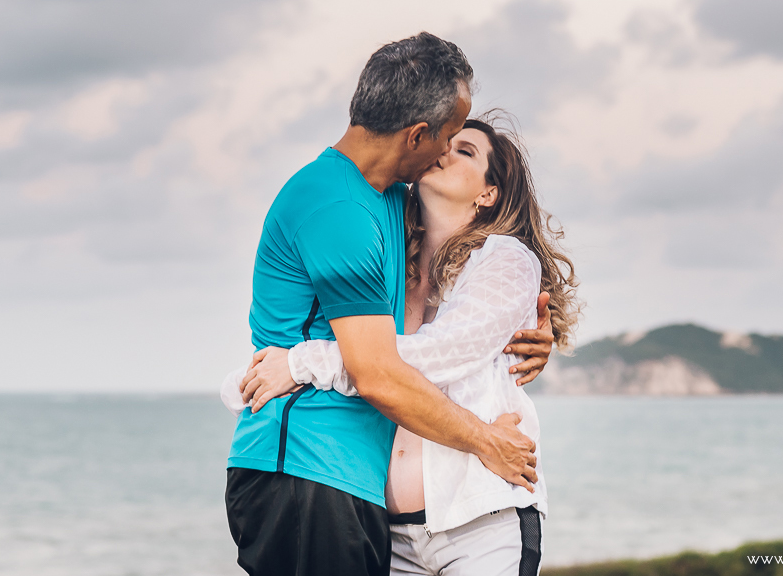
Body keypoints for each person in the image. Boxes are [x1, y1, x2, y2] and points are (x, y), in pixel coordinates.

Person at [223, 33, 555, 576]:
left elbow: (455, 334)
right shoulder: (340, 208)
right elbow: (377, 372)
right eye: (450, 136)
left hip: (360, 483)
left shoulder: (393, 208)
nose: (448, 149)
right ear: (418, 135)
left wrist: (529, 339)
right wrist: (485, 440)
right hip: (308, 468)